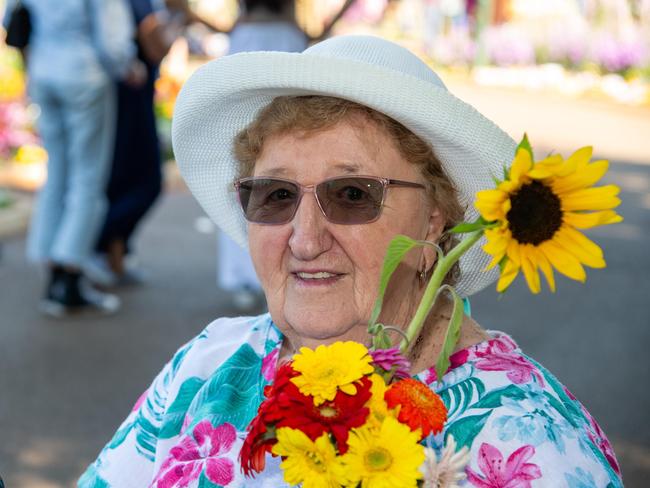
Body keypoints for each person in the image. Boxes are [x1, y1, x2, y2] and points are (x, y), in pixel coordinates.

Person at [78, 36, 623, 486]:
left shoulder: (523, 440)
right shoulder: (207, 367)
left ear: (436, 217)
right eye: (276, 195)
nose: (305, 239)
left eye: (353, 195)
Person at [2, 0, 145, 316]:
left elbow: (14, 16)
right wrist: (128, 66)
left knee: (57, 175)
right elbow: (111, 38)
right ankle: (69, 275)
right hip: (83, 75)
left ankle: (51, 267)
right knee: (87, 179)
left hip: (43, 72)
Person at [216, 0, 354, 309]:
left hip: (249, 38)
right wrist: (324, 30)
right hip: (285, 38)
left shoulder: (247, 24)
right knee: (272, 160)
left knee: (252, 167)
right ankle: (264, 272)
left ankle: (247, 274)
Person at [86, 0, 196, 287]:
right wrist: (180, 16)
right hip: (130, 96)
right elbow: (155, 46)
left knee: (121, 179)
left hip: (125, 95)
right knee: (147, 181)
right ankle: (92, 243)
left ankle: (113, 256)